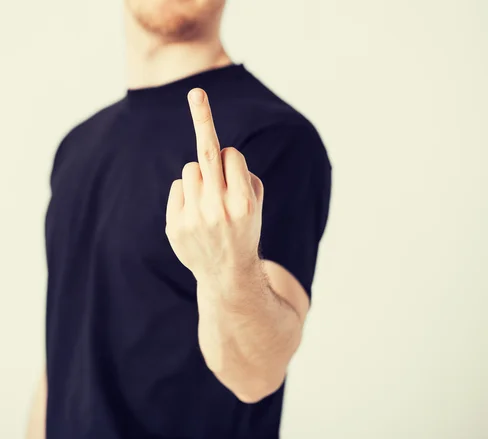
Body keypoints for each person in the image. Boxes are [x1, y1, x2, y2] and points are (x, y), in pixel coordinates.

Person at [26, 0, 332, 438]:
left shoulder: (277, 139)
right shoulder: (77, 147)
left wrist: (229, 269)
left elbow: (256, 376)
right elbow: (64, 350)